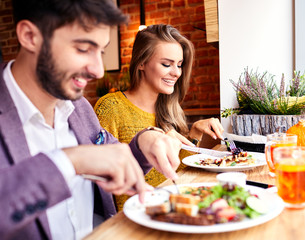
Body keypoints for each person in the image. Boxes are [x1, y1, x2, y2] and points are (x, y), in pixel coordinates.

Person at [0, 1, 182, 239]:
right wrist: (69, 161)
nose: (97, 70)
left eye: (102, 51)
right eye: (84, 49)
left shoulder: (80, 108)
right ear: (30, 36)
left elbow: (116, 165)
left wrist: (144, 143)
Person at [94, 24, 224, 210]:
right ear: (141, 63)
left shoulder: (170, 109)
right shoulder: (111, 107)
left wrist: (193, 134)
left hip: (171, 210)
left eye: (179, 65)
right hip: (133, 218)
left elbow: (177, 172)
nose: (177, 72)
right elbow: (102, 175)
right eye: (166, 64)